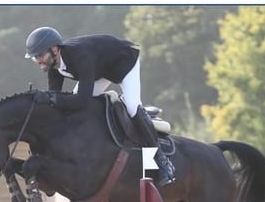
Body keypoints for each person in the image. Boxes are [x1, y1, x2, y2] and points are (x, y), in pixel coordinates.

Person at [24, 26, 175, 187]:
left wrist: (51, 99)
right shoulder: (54, 68)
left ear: (54, 49)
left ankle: (161, 160)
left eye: (40, 55)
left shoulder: (80, 56)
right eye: (34, 58)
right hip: (100, 70)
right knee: (69, 108)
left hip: (124, 62)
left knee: (132, 106)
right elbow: (56, 103)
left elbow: (81, 101)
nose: (38, 60)